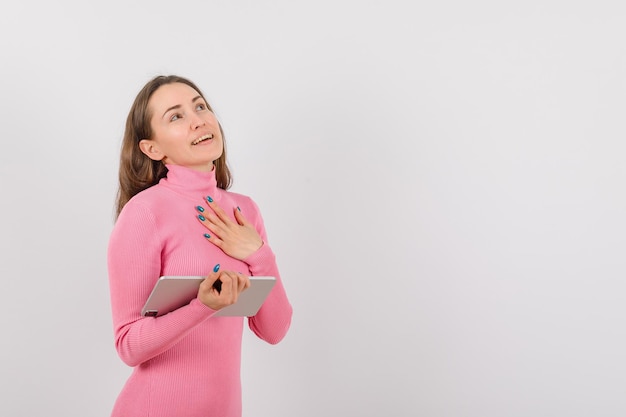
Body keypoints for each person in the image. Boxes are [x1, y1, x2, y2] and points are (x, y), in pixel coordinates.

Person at [107, 75, 292, 417]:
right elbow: (128, 345)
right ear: (152, 148)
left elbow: (274, 330)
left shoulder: (245, 211)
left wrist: (258, 254)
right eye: (176, 116)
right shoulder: (145, 213)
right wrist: (202, 306)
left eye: (200, 106)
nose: (198, 120)